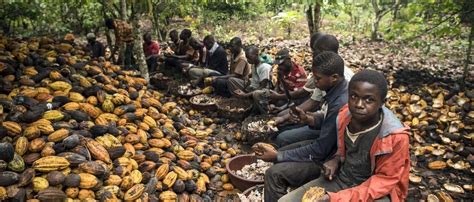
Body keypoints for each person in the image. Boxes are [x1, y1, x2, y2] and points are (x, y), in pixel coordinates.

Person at [279, 70, 410, 202]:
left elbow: (384, 180)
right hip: (343, 179)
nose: (359, 104)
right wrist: (336, 159)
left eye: (369, 99)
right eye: (354, 96)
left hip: (375, 191)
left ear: (382, 102)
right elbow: (342, 149)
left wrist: (336, 198)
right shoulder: (344, 115)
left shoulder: (394, 137)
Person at [252, 51, 348, 202]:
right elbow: (330, 122)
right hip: (326, 147)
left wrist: (278, 156)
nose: (315, 82)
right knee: (281, 150)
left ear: (334, 77)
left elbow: (320, 150)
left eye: (318, 79)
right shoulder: (335, 92)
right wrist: (309, 119)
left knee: (274, 172)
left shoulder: (340, 102)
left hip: (331, 159)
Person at [272, 33, 354, 147]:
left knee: (284, 138)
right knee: (284, 128)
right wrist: (286, 117)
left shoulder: (340, 78)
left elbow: (331, 126)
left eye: (315, 51)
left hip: (331, 129)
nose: (313, 55)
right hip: (322, 119)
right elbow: (313, 100)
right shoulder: (323, 72)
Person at [251, 48, 308, 113]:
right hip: (281, 95)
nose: (280, 66)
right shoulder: (281, 70)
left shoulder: (300, 72)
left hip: (292, 99)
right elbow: (278, 87)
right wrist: (274, 95)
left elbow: (298, 95)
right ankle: (267, 113)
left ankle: (276, 112)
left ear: (288, 60)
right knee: (257, 94)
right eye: (278, 64)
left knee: (281, 104)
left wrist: (278, 97)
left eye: (282, 64)